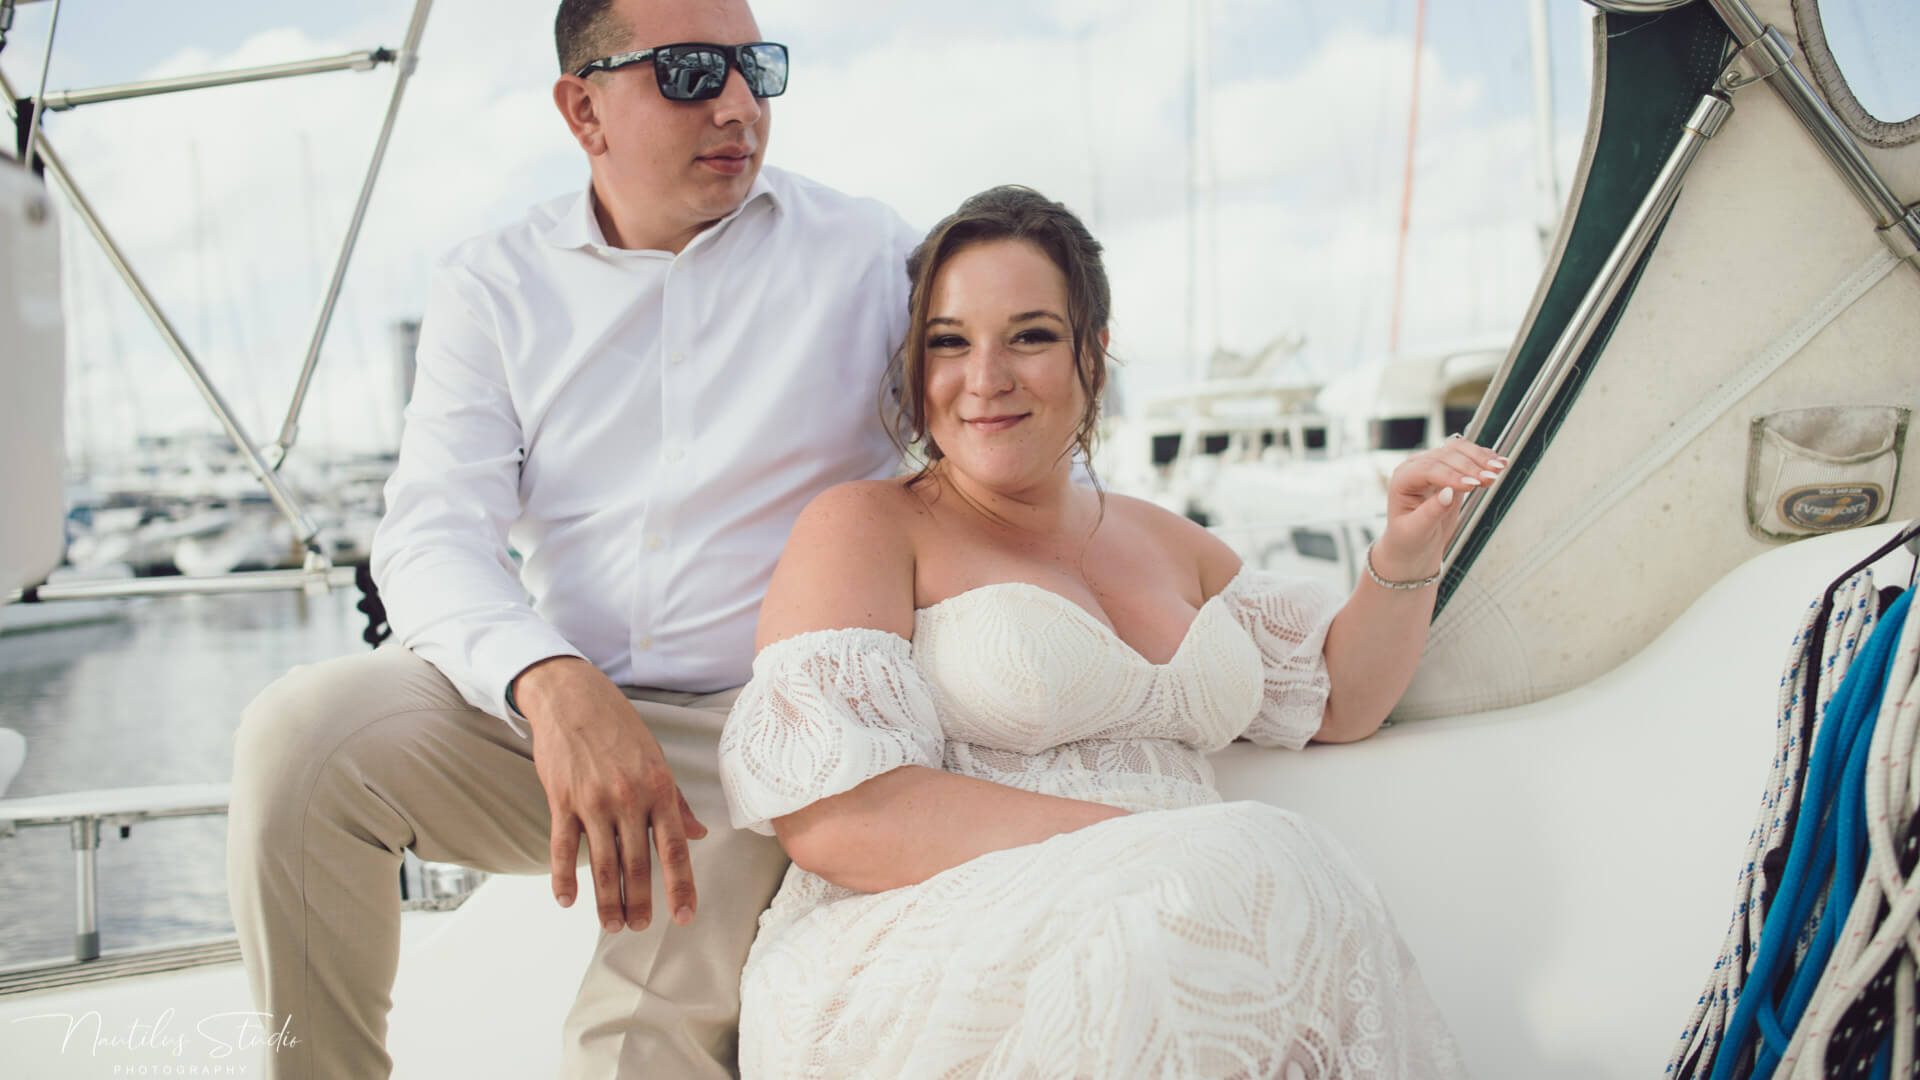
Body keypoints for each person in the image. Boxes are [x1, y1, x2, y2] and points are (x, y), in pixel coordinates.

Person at [224, 0, 918, 1076]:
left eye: (757, 67)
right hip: (556, 721)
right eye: (690, 72)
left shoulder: (872, 256)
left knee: (627, 1049)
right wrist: (548, 681)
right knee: (300, 746)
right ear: (582, 109)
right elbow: (428, 533)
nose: (738, 104)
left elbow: (1012, 437)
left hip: (770, 735)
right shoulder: (495, 283)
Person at [718, 186, 1484, 1077]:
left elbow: (1341, 699)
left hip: (1179, 910)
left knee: (1248, 891)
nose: (986, 377)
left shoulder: (1165, 536)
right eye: (949, 342)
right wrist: (1150, 841)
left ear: (1095, 353)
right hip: (920, 941)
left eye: (1031, 336)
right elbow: (840, 820)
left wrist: (1405, 548)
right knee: (1254, 869)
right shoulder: (866, 526)